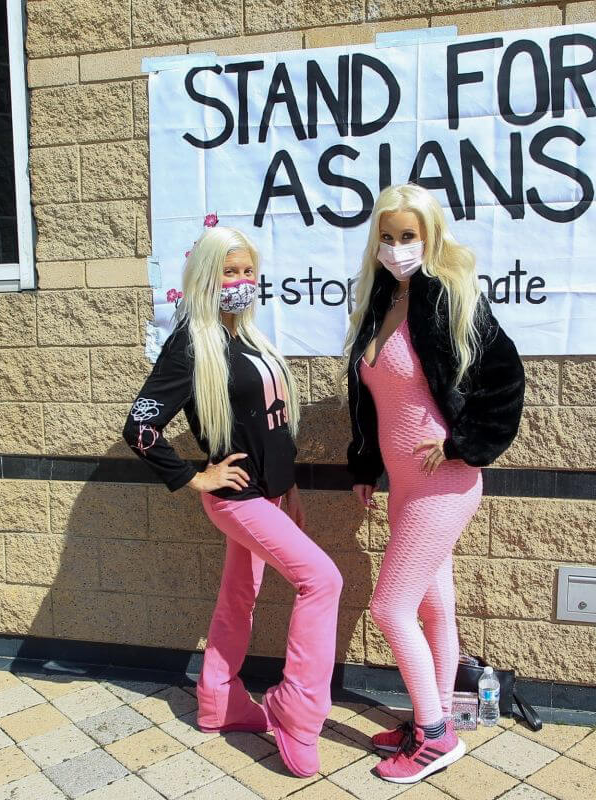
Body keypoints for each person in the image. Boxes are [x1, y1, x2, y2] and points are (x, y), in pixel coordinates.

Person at [124, 224, 342, 778]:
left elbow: (271, 425)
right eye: (230, 271)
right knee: (323, 580)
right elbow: (141, 426)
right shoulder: (189, 346)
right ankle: (297, 713)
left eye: (247, 271)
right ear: (206, 277)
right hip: (237, 498)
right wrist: (194, 477)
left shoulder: (244, 336)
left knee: (238, 593)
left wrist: (287, 483)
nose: (241, 281)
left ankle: (218, 699)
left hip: (269, 495)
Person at [345, 184, 526, 784]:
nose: (397, 247)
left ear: (431, 237)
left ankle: (435, 736)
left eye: (409, 236)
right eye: (389, 236)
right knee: (432, 605)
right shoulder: (380, 302)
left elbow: (504, 381)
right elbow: (374, 401)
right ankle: (437, 712)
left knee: (389, 607)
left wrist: (459, 444)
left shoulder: (449, 298)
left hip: (445, 482)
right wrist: (366, 465)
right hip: (403, 486)